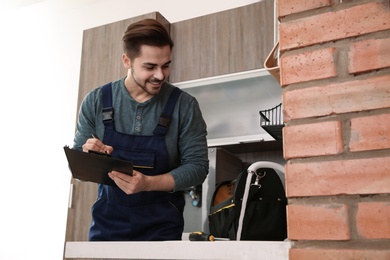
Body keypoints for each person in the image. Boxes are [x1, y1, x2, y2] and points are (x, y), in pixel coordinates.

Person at [72, 18, 209, 241]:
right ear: (127, 60)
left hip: (162, 228)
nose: (161, 75)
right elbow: (78, 170)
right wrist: (90, 157)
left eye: (166, 65)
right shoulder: (96, 101)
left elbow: (198, 168)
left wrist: (148, 184)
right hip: (107, 226)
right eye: (149, 67)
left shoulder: (185, 106)